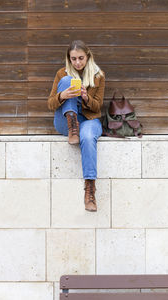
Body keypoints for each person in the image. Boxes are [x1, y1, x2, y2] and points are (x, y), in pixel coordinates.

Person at [47, 40, 105, 212]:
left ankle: (90, 189)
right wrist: (62, 96)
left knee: (87, 137)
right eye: (73, 59)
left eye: (81, 58)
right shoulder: (61, 73)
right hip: (66, 123)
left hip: (88, 121)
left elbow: (98, 106)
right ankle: (73, 126)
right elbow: (50, 104)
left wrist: (86, 98)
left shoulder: (98, 75)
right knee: (66, 80)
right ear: (69, 59)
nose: (77, 63)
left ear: (88, 57)